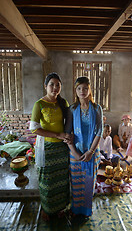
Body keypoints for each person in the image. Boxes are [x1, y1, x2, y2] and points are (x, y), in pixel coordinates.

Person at [30, 72, 70, 221]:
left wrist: (67, 136)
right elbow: (34, 128)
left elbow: (68, 123)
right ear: (45, 86)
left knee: (61, 179)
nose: (55, 87)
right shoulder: (39, 104)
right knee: (47, 180)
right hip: (47, 148)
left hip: (62, 149)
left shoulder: (63, 103)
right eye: (52, 84)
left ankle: (60, 208)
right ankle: (47, 209)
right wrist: (58, 135)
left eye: (58, 85)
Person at [65, 76, 103, 217]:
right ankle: (76, 210)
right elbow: (67, 132)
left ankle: (86, 210)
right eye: (79, 88)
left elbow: (99, 131)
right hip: (76, 153)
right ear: (75, 90)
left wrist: (91, 152)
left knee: (88, 184)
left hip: (92, 152)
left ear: (89, 90)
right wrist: (74, 152)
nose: (82, 91)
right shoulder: (72, 109)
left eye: (85, 88)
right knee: (76, 184)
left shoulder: (97, 108)